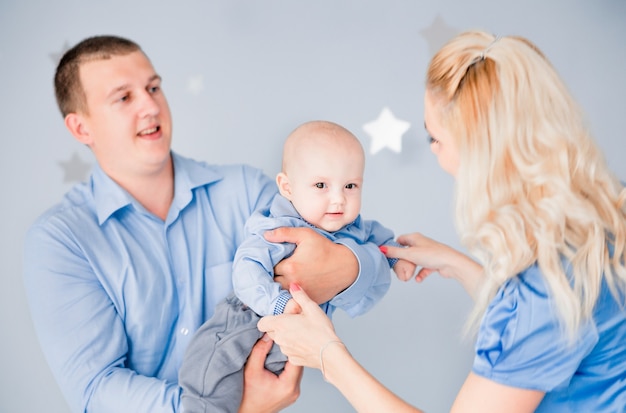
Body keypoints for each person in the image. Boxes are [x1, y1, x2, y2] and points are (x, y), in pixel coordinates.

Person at [258, 30, 626, 412]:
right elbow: (556, 324)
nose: (435, 153)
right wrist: (458, 265)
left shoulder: (544, 291)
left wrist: (329, 356)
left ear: (478, 151)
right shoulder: (605, 215)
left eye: (435, 138)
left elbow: (540, 312)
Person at [22, 35, 393, 413]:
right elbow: (96, 390)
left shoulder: (246, 192)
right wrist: (230, 408)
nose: (151, 105)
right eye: (124, 97)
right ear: (81, 128)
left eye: (153, 88)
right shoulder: (61, 241)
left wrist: (351, 264)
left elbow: (348, 263)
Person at [178, 120, 415, 412]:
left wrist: (395, 257)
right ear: (287, 187)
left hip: (292, 341)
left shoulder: (353, 226)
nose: (338, 199)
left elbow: (379, 239)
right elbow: (246, 270)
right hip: (245, 321)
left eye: (350, 185)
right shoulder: (277, 227)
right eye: (321, 185)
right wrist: (277, 303)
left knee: (259, 388)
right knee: (211, 381)